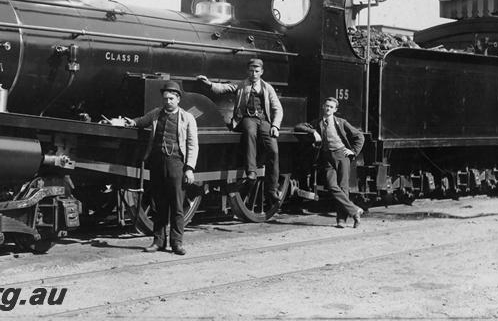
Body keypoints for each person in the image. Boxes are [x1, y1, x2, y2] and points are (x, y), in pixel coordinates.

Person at [123, 81, 198, 255]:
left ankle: (177, 243)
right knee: (158, 205)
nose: (168, 101)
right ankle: (158, 241)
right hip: (157, 163)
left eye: (171, 98)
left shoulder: (187, 118)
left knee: (177, 205)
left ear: (178, 99)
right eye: (165, 98)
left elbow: (193, 144)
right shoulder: (156, 113)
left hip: (177, 164)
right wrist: (130, 122)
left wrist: (189, 168)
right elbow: (141, 122)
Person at [197, 58, 283, 205]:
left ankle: (272, 189)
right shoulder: (242, 85)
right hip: (247, 118)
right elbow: (224, 88)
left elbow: (277, 108)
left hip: (264, 121)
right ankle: (251, 171)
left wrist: (275, 125)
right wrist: (210, 84)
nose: (254, 73)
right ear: (247, 71)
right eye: (251, 70)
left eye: (256, 71)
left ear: (261, 72)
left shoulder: (268, 88)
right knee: (250, 133)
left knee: (274, 150)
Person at [295, 97, 364, 228]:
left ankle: (342, 219)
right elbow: (298, 126)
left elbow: (359, 136)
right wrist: (313, 131)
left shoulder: (341, 122)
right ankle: (355, 210)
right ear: (323, 107)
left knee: (343, 187)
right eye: (326, 106)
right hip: (327, 158)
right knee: (332, 186)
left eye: (331, 107)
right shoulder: (317, 123)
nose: (328, 109)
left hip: (342, 155)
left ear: (335, 110)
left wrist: (353, 151)